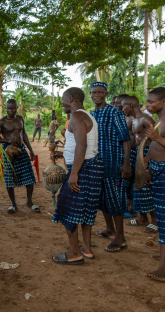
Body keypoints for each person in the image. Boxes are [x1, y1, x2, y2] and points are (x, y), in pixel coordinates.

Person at [51, 88, 103, 264]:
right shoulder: (87, 116)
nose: (62, 103)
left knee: (68, 209)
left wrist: (74, 174)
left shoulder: (77, 117)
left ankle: (74, 253)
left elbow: (82, 145)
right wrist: (63, 154)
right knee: (86, 210)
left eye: (63, 99)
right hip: (91, 167)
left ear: (71, 99)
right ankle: (86, 249)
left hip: (82, 169)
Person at [90, 82, 131, 253]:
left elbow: (126, 139)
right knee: (102, 200)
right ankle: (110, 229)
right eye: (94, 92)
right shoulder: (91, 114)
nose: (96, 95)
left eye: (100, 92)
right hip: (97, 164)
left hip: (113, 163)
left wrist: (126, 163)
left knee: (115, 200)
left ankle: (120, 238)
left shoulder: (114, 112)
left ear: (106, 94)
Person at [144, 87, 165, 282]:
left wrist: (156, 138)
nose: (148, 105)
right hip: (157, 171)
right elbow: (154, 146)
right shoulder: (159, 121)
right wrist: (148, 166)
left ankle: (163, 269)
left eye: (151, 102)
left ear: (164, 102)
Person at [0, 99, 38, 213]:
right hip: (8, 152)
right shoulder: (2, 122)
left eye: (13, 108)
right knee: (9, 180)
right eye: (9, 108)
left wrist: (31, 150)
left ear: (16, 108)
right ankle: (13, 205)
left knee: (29, 177)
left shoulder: (20, 119)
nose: (11, 110)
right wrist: (7, 141)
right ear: (6, 108)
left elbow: (24, 134)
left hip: (21, 150)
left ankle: (29, 202)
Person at [122, 96, 157, 232]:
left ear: (131, 105)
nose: (122, 109)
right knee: (138, 187)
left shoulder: (145, 119)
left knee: (147, 187)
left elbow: (155, 139)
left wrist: (148, 158)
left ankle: (154, 221)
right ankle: (143, 218)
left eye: (124, 106)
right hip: (138, 153)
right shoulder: (134, 120)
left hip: (147, 153)